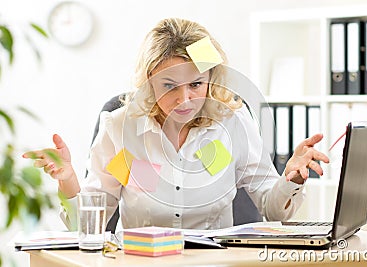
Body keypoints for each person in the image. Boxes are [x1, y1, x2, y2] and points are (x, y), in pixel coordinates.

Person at [23, 18, 329, 230]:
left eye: (196, 84)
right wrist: (68, 180)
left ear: (212, 79)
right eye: (169, 85)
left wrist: (291, 178)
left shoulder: (232, 122)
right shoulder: (121, 129)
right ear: (147, 82)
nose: (184, 99)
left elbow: (271, 208)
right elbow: (91, 221)